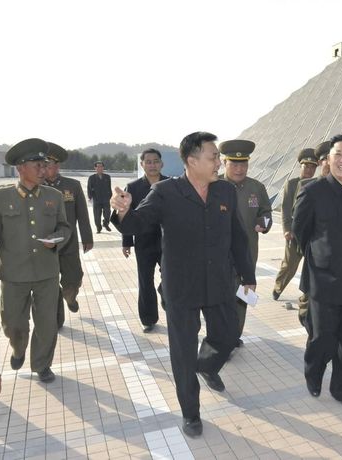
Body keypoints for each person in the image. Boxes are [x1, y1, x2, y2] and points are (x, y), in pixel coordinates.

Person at [110, 131, 256, 438]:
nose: (219, 161)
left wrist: (248, 276)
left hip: (219, 282)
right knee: (183, 353)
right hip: (182, 287)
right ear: (191, 161)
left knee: (228, 336)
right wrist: (122, 210)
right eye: (213, 156)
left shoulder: (226, 192)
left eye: (217, 156)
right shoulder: (166, 192)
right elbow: (138, 223)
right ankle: (191, 413)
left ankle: (207, 365)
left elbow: (239, 237)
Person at [292, 134, 342, 407]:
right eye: (338, 154)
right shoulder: (312, 191)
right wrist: (320, 257)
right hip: (324, 281)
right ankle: (313, 372)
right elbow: (300, 233)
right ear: (328, 159)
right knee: (323, 339)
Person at [0, 138, 71, 383]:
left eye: (44, 165)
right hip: (14, 274)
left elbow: (64, 227)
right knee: (12, 323)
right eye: (37, 165)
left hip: (46, 273)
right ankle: (19, 348)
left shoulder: (54, 196)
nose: (43, 170)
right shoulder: (1, 198)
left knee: (47, 323)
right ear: (20, 168)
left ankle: (42, 364)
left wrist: (56, 239)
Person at [220, 140, 272, 345]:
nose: (239, 168)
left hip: (248, 252)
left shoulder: (256, 188)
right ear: (225, 163)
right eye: (234, 163)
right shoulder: (214, 185)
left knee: (243, 294)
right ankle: (222, 334)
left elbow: (266, 212)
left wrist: (264, 222)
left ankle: (234, 335)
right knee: (221, 295)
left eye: (243, 164)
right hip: (220, 253)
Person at [44, 142, 94, 329]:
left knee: (73, 280)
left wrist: (87, 238)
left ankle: (70, 298)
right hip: (44, 245)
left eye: (56, 165)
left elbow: (82, 213)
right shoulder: (37, 186)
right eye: (48, 164)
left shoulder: (72, 185)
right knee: (49, 285)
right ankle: (57, 319)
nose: (52, 168)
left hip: (69, 243)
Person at [120, 148, 168, 333]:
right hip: (144, 241)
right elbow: (126, 214)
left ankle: (167, 298)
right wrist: (126, 241)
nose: (152, 165)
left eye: (156, 161)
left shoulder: (171, 184)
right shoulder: (132, 187)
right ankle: (148, 319)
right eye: (148, 161)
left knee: (170, 279)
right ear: (142, 165)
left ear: (161, 163)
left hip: (167, 242)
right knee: (145, 281)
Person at [272, 148, 318, 301]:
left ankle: (309, 295)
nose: (309, 170)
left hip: (312, 234)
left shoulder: (318, 184)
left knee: (313, 267)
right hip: (295, 233)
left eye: (313, 167)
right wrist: (287, 230)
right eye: (307, 166)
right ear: (301, 166)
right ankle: (278, 287)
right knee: (289, 266)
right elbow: (285, 208)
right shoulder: (292, 184)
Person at [294, 141, 331, 328]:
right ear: (320, 162)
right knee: (311, 298)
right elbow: (299, 226)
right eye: (325, 160)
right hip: (316, 256)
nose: (329, 164)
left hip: (340, 262)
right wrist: (312, 248)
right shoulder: (308, 188)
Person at [87, 160, 112, 233]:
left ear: (103, 167)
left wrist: (110, 196)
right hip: (96, 199)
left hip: (106, 199)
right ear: (95, 168)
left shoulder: (107, 177)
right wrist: (90, 197)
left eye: (101, 166)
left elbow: (109, 187)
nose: (99, 168)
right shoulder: (91, 178)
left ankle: (105, 223)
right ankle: (98, 227)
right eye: (98, 167)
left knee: (107, 213)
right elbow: (89, 188)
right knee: (97, 215)